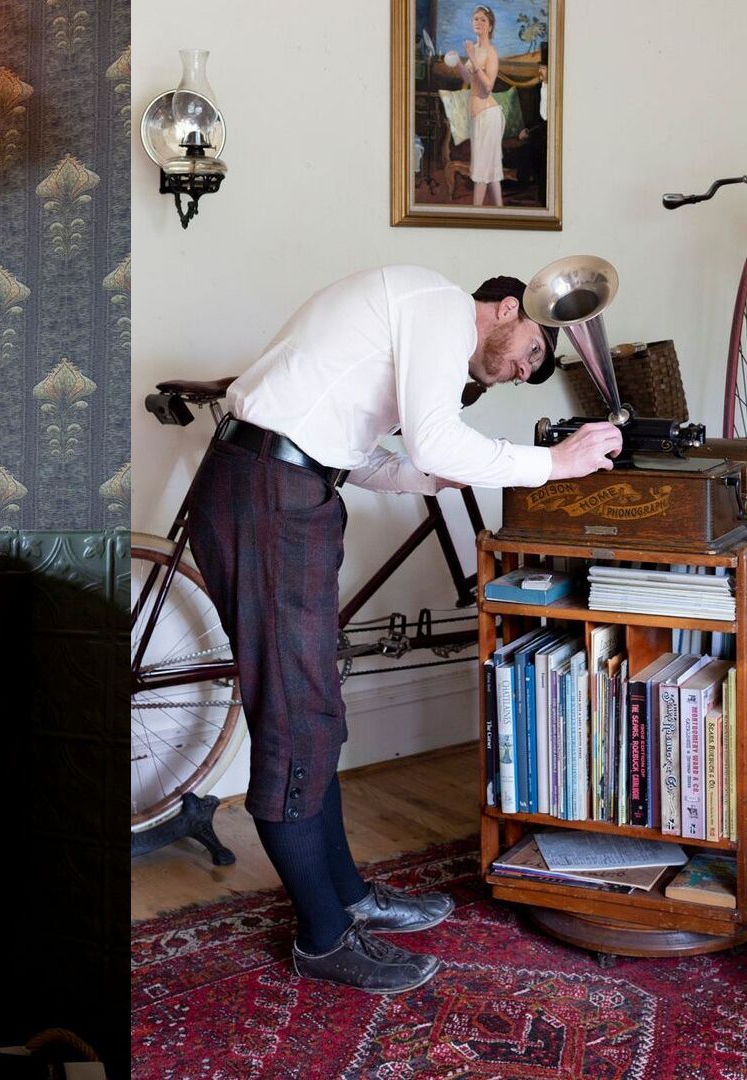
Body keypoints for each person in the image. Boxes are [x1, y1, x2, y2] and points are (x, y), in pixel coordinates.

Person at [183, 266, 622, 994]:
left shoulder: (416, 319)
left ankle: (350, 896)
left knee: (315, 714)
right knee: (297, 721)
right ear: (507, 308)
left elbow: (367, 458)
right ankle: (324, 938)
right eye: (530, 354)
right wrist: (553, 464)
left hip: (288, 488)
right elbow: (437, 441)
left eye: (531, 372)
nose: (520, 371)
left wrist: (436, 476)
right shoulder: (441, 306)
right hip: (268, 496)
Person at [455, 5, 503, 206]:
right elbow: (468, 78)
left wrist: (472, 58)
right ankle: (500, 209)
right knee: (490, 169)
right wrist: (458, 62)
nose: (478, 22)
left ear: (490, 26)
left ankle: (475, 212)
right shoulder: (473, 49)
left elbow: (488, 86)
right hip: (478, 116)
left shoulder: (490, 52)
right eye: (476, 19)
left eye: (483, 20)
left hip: (489, 115)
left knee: (483, 169)